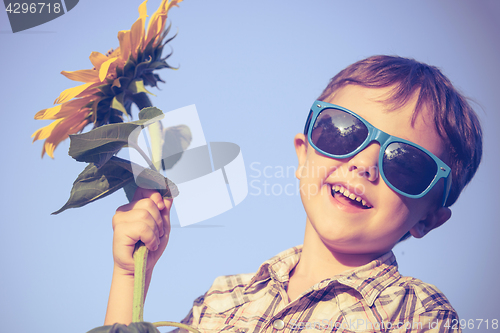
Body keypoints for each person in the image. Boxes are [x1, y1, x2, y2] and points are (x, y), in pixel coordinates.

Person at [104, 55, 482, 332]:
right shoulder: (223, 301)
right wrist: (130, 273)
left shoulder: (415, 312)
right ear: (304, 154)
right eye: (342, 132)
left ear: (430, 218)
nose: (364, 164)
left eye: (406, 163)